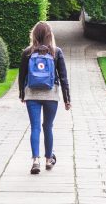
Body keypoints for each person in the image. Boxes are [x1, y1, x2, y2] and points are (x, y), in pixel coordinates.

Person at [18, 21, 71, 175]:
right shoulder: (56, 52)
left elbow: (21, 77)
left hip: (32, 94)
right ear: (50, 35)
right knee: (48, 127)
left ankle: (36, 160)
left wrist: (22, 94)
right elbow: (63, 78)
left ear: (34, 34)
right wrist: (67, 99)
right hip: (51, 94)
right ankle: (49, 159)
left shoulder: (27, 52)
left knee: (34, 127)